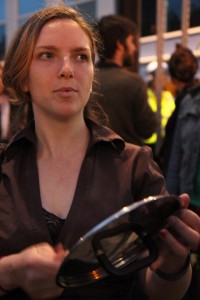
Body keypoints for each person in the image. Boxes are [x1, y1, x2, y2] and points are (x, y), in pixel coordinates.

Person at [0, 5, 200, 300]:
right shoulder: (4, 166)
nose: (67, 69)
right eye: (48, 55)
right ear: (23, 78)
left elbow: (157, 290)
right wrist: (10, 272)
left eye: (81, 56)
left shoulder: (134, 165)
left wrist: (173, 264)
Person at [94, 15, 157, 146]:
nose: (134, 48)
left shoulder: (86, 80)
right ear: (120, 44)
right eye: (132, 42)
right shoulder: (133, 82)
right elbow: (147, 130)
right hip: (126, 161)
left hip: (90, 161)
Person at [159, 44, 199, 175]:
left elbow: (173, 152)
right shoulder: (192, 99)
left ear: (173, 77)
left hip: (183, 180)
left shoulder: (183, 104)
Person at [144, 60, 175, 155]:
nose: (163, 78)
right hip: (148, 145)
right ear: (151, 77)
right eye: (159, 75)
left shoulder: (169, 96)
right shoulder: (145, 97)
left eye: (164, 74)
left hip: (167, 143)